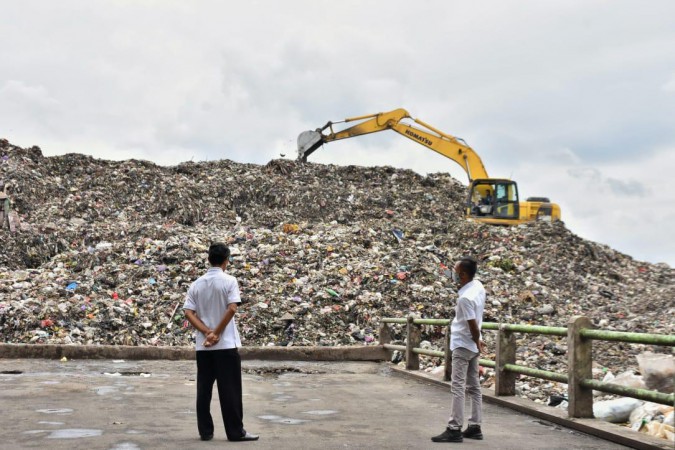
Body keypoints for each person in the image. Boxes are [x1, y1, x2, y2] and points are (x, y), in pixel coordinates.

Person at [183, 243, 259, 442]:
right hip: (225, 345)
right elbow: (232, 308)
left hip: (203, 346)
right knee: (230, 390)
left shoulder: (197, 284)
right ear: (226, 260)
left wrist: (206, 332)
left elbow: (188, 312)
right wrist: (216, 333)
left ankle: (205, 431)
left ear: (209, 259)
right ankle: (235, 432)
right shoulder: (229, 281)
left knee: (204, 389)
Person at [432, 256, 486, 443]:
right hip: (472, 346)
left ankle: (454, 428)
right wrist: (478, 342)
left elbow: (472, 324)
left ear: (463, 275)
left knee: (458, 387)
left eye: (455, 273)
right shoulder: (478, 287)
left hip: (463, 344)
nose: (453, 275)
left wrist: (477, 339)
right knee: (474, 387)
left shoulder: (465, 298)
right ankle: (475, 426)